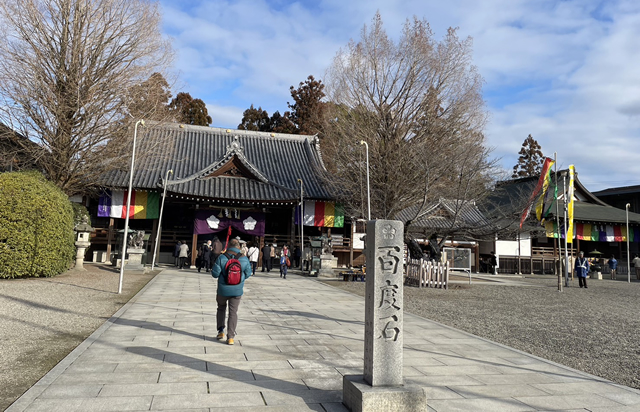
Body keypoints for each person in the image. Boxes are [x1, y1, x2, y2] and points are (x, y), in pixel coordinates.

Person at [211, 239, 252, 345]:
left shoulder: (221, 257)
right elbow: (248, 273)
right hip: (237, 290)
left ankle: (220, 331)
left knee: (221, 308)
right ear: (239, 246)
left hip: (223, 290)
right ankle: (231, 337)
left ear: (228, 245)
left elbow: (215, 274)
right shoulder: (244, 258)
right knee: (233, 312)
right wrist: (240, 278)